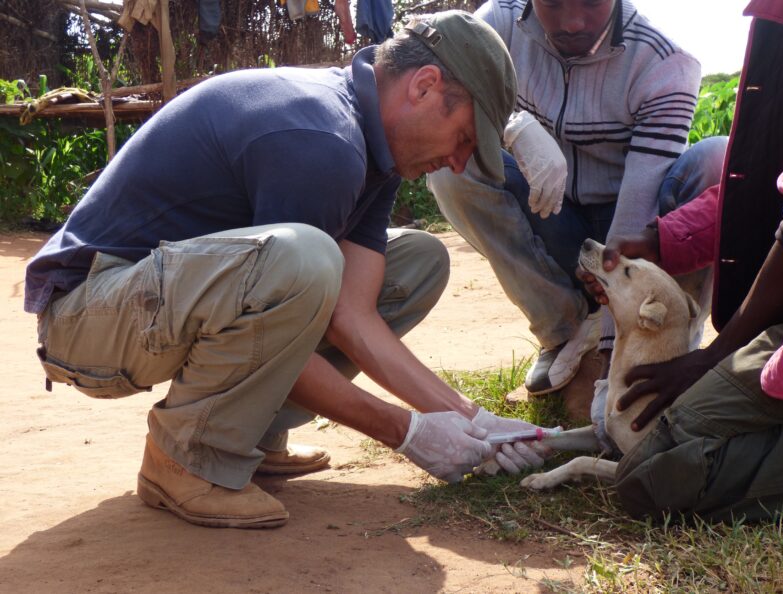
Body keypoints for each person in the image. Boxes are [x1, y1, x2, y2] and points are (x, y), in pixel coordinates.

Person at [24, 11, 549, 530]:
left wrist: (469, 418)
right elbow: (290, 295)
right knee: (306, 258)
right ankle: (187, 459)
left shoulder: (376, 150)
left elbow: (351, 315)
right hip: (88, 315)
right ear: (425, 87)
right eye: (463, 139)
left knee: (417, 261)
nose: (459, 163)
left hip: (159, 301)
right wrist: (406, 431)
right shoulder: (323, 139)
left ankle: (247, 434)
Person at [427, 0, 727, 398]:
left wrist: (612, 356)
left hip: (639, 236)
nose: (571, 23)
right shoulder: (499, 23)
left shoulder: (663, 62)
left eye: (590, 2)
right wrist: (511, 125)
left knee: (717, 160)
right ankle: (562, 328)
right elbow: (420, 67)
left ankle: (666, 343)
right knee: (452, 167)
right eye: (552, 3)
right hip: (553, 214)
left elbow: (636, 210)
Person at [579, 0, 783, 522]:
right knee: (659, 449)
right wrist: (662, 237)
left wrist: (714, 354)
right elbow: (763, 190)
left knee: (651, 474)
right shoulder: (776, 22)